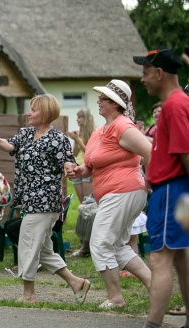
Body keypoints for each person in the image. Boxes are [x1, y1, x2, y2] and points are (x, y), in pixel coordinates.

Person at [0, 94, 91, 304]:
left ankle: (29, 295)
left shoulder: (58, 139)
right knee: (44, 249)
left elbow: (67, 161)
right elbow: (9, 146)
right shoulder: (25, 133)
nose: (29, 113)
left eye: (34, 110)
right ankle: (76, 283)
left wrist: (68, 168)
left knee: (27, 243)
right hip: (29, 199)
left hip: (46, 200)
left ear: (46, 113)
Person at [66, 79, 152, 309]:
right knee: (117, 245)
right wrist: (78, 170)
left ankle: (116, 298)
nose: (99, 101)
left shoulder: (123, 126)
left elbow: (150, 152)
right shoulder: (99, 132)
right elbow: (91, 166)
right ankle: (156, 286)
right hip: (115, 194)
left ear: (115, 104)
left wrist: (152, 180)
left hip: (124, 191)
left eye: (103, 98)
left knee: (101, 243)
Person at [132, 46, 189, 328]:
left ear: (159, 73)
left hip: (170, 192)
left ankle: (152, 325)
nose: (142, 79)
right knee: (180, 260)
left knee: (160, 260)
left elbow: (185, 153)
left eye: (145, 73)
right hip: (175, 192)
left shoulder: (174, 105)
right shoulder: (178, 103)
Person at [66, 108, 95, 204]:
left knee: (88, 202)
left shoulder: (93, 133)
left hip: (87, 168)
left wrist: (77, 139)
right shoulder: (80, 133)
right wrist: (75, 139)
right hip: (78, 167)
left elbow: (89, 151)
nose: (77, 119)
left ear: (86, 119)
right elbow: (75, 153)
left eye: (80, 117)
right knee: (82, 203)